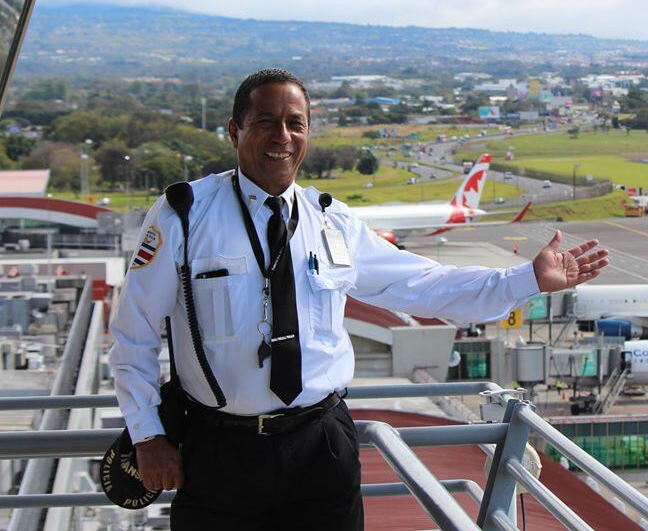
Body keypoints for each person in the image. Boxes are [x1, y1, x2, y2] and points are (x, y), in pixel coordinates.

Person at [108, 68, 609, 531]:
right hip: (218, 452)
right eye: (265, 122)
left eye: (295, 124)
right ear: (234, 130)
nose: (282, 137)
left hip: (319, 448)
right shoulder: (183, 217)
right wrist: (148, 435)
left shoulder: (334, 222)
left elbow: (428, 285)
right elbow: (134, 333)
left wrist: (527, 280)